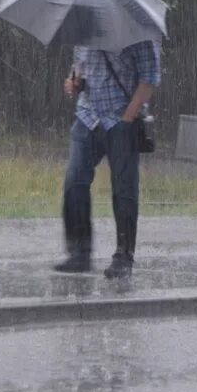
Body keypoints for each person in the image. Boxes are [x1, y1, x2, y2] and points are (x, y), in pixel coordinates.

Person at [53, 39, 161, 279]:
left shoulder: (139, 32)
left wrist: (128, 118)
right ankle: (79, 253)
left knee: (124, 190)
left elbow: (149, 79)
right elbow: (80, 69)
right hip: (87, 116)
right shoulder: (85, 29)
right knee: (74, 181)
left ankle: (123, 256)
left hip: (121, 119)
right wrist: (73, 82)